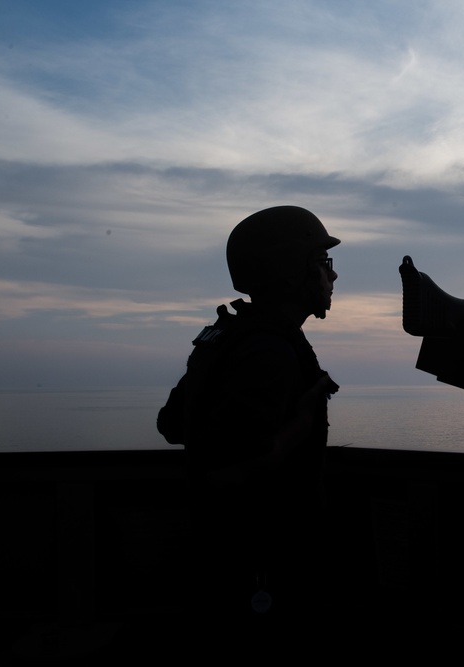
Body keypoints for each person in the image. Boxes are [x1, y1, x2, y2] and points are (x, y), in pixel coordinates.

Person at [157, 205, 340, 656]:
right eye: (323, 263)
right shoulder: (269, 352)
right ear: (291, 271)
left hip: (220, 562)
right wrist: (299, 425)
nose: (332, 277)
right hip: (262, 566)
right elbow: (227, 472)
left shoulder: (233, 337)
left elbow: (172, 423)